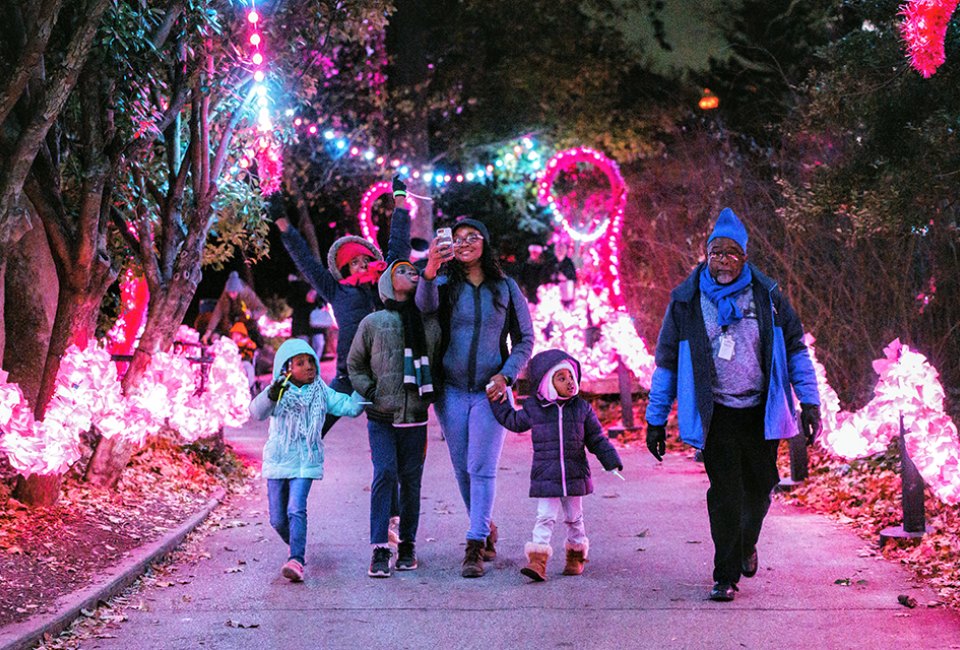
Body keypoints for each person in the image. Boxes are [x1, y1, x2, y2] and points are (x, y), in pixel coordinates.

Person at [644, 207, 822, 602]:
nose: (721, 259)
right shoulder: (686, 301)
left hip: (760, 409)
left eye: (729, 252)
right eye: (714, 253)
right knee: (725, 493)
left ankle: (744, 545)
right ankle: (724, 575)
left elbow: (795, 349)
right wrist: (655, 420)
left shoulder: (769, 296)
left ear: (744, 257)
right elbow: (666, 363)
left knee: (760, 487)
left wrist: (809, 401)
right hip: (717, 413)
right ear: (706, 257)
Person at [417, 217, 534, 578]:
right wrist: (431, 268)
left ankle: (474, 544)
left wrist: (506, 374)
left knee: (482, 467)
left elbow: (525, 339)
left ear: (485, 242)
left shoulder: (506, 287)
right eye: (458, 238)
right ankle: (485, 526)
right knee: (463, 468)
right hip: (450, 390)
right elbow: (423, 308)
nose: (465, 242)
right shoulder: (445, 283)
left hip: (491, 392)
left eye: (472, 236)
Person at [276, 177, 411, 438]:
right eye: (354, 262)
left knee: (390, 451)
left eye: (365, 260)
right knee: (309, 433)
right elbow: (306, 262)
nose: (361, 265)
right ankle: (290, 475)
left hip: (386, 378)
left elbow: (400, 245)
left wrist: (400, 200)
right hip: (350, 374)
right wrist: (284, 226)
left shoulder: (384, 285)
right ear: (346, 267)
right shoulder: (337, 290)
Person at [488, 349, 622, 582]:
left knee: (574, 518)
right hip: (546, 475)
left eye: (570, 377)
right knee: (545, 517)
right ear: (546, 384)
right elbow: (513, 421)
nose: (569, 382)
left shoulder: (581, 409)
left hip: (574, 473)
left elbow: (596, 439)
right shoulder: (535, 409)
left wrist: (610, 460)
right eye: (561, 378)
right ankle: (538, 561)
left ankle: (576, 554)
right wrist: (499, 403)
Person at [348, 260, 440, 578]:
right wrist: (370, 389)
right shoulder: (373, 322)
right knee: (385, 473)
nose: (411, 274)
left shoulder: (428, 323)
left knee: (411, 481)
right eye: (402, 271)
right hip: (381, 415)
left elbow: (439, 361)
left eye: (415, 272)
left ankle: (408, 544)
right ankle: (379, 548)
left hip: (415, 414)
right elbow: (354, 364)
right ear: (387, 281)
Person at [249, 338, 365, 582]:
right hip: (278, 461)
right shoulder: (277, 392)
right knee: (277, 518)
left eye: (311, 361)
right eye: (300, 363)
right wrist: (270, 395)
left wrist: (363, 387)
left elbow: (349, 407)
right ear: (286, 369)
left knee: (295, 508)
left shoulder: (321, 391)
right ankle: (296, 545)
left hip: (305, 461)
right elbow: (257, 413)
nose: (309, 366)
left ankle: (297, 560)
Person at [202, 270, 268, 346]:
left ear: (239, 290)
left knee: (255, 343)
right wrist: (209, 331)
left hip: (246, 324)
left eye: (234, 292)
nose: (232, 295)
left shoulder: (247, 294)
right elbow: (217, 313)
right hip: (230, 324)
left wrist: (252, 314)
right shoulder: (225, 295)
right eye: (230, 292)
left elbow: (263, 309)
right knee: (216, 338)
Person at [287, 274, 329, 360]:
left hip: (316, 318)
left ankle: (315, 363)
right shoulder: (295, 285)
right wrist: (304, 299)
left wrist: (316, 297)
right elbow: (290, 301)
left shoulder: (317, 284)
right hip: (301, 318)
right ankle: (306, 365)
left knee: (319, 342)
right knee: (303, 345)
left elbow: (325, 299)